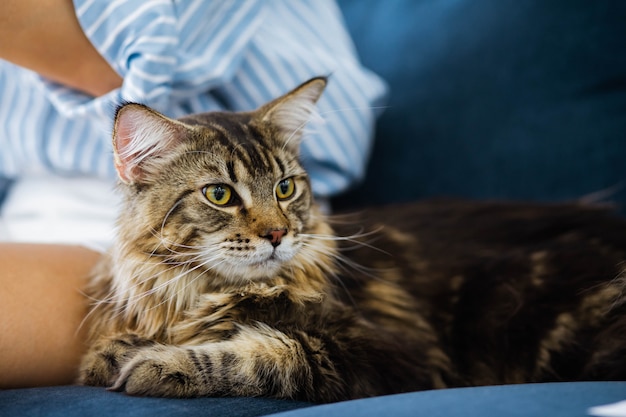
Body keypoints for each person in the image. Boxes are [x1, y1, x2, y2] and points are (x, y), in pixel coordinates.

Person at [0, 0, 386, 388]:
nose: (274, 227)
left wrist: (217, 370)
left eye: (285, 189)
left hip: (99, 233)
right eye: (222, 195)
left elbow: (116, 57)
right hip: (72, 218)